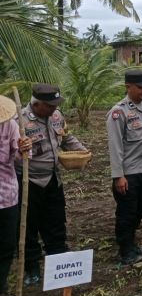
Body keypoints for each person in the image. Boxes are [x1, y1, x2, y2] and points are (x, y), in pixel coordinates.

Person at [16, 84, 88, 285]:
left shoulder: (56, 116)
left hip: (53, 178)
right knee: (28, 227)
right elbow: (8, 154)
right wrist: (19, 149)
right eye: (50, 106)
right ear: (37, 104)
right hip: (28, 181)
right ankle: (31, 268)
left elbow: (66, 137)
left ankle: (58, 263)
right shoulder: (19, 120)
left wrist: (82, 150)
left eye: (56, 105)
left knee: (56, 222)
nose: (54, 109)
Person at [106, 69, 142, 265]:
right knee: (127, 212)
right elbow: (115, 146)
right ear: (128, 87)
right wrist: (118, 176)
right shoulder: (118, 112)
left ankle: (130, 241)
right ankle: (125, 250)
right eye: (140, 88)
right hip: (128, 172)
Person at [1, 96, 32, 296]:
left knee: (6, 245)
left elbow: (21, 157)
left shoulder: (9, 125)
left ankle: (1, 289)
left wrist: (25, 148)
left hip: (7, 195)